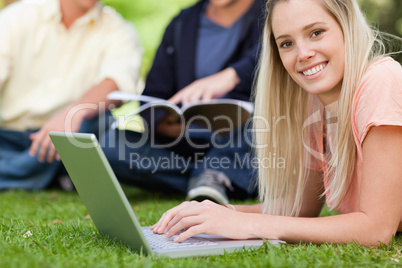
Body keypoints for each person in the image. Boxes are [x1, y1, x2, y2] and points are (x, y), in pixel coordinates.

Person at [150, 0, 402, 247]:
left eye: (316, 32)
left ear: (347, 25)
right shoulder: (315, 105)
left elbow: (376, 229)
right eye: (287, 43)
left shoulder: (380, 80)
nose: (303, 54)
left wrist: (247, 226)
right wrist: (218, 214)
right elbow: (301, 209)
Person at [102, 0, 265, 204]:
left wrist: (234, 75)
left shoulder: (273, 13)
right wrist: (163, 122)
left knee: (263, 120)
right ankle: (219, 178)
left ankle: (219, 175)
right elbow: (153, 94)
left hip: (244, 141)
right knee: (111, 146)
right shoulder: (182, 24)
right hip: (188, 142)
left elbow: (281, 54)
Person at [0, 0, 142, 190]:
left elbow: (116, 83)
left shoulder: (119, 30)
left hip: (69, 136)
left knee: (99, 123)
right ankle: (51, 175)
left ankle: (28, 173)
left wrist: (72, 113)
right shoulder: (17, 16)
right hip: (9, 135)